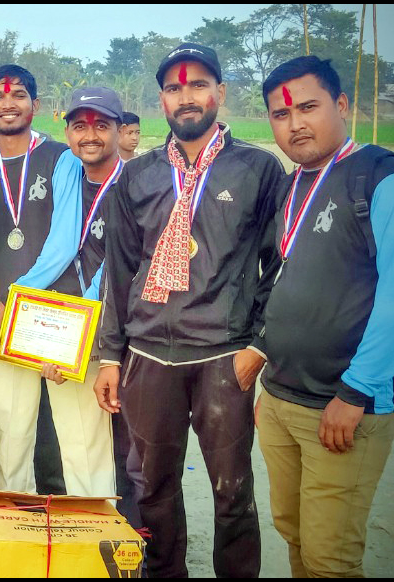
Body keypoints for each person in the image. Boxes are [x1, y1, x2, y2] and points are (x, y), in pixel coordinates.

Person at [93, 42, 286, 578]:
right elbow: (119, 271)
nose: (186, 96)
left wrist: (258, 345)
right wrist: (110, 355)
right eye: (174, 88)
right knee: (153, 489)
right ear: (161, 100)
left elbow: (280, 264)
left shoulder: (258, 169)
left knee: (232, 491)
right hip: (148, 354)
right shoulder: (138, 175)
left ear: (220, 92)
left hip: (223, 356)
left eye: (198, 84)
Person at [256, 55, 394, 578]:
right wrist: (268, 373)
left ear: (341, 104)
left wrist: (356, 392)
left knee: (330, 558)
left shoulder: (386, 182)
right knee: (294, 534)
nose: (295, 124)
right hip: (282, 397)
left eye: (308, 107)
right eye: (281, 114)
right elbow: (280, 281)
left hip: (342, 408)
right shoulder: (293, 186)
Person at [0, 65, 113, 498]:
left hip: (62, 320)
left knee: (82, 444)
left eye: (18, 95)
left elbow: (65, 243)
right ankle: (12, 529)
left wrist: (12, 301)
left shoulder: (61, 158)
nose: (8, 104)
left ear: (35, 105)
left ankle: (95, 532)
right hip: (6, 329)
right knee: (12, 442)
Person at [45, 85, 143, 528]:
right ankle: (93, 537)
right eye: (80, 126)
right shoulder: (64, 181)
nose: (90, 135)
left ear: (120, 130)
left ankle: (133, 543)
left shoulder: (140, 185)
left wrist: (93, 341)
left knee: (132, 455)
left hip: (124, 341)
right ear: (67, 132)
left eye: (101, 125)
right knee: (79, 447)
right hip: (70, 333)